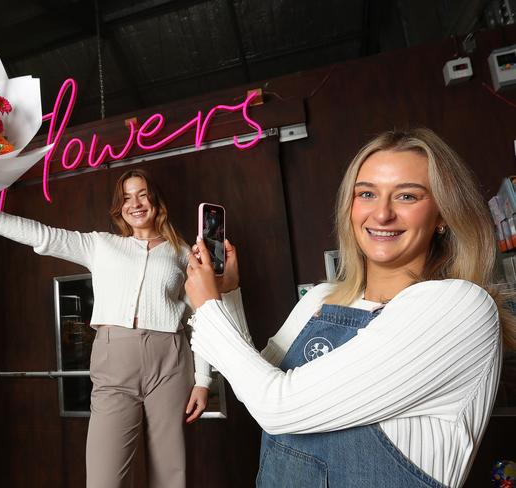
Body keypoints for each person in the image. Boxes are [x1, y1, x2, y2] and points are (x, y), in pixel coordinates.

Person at [185, 128, 516, 488]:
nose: (382, 213)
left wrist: (207, 307)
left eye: (407, 196)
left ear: (442, 216)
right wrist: (228, 293)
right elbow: (251, 382)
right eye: (367, 194)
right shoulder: (322, 298)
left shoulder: (460, 307)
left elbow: (276, 406)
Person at [0, 168, 210, 488]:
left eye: (142, 194)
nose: (135, 203)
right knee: (104, 477)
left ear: (155, 201)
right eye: (126, 197)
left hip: (171, 359)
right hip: (114, 358)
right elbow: (44, 236)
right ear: (118, 206)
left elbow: (203, 318)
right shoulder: (101, 245)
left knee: (171, 471)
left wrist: (203, 380)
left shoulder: (183, 253)